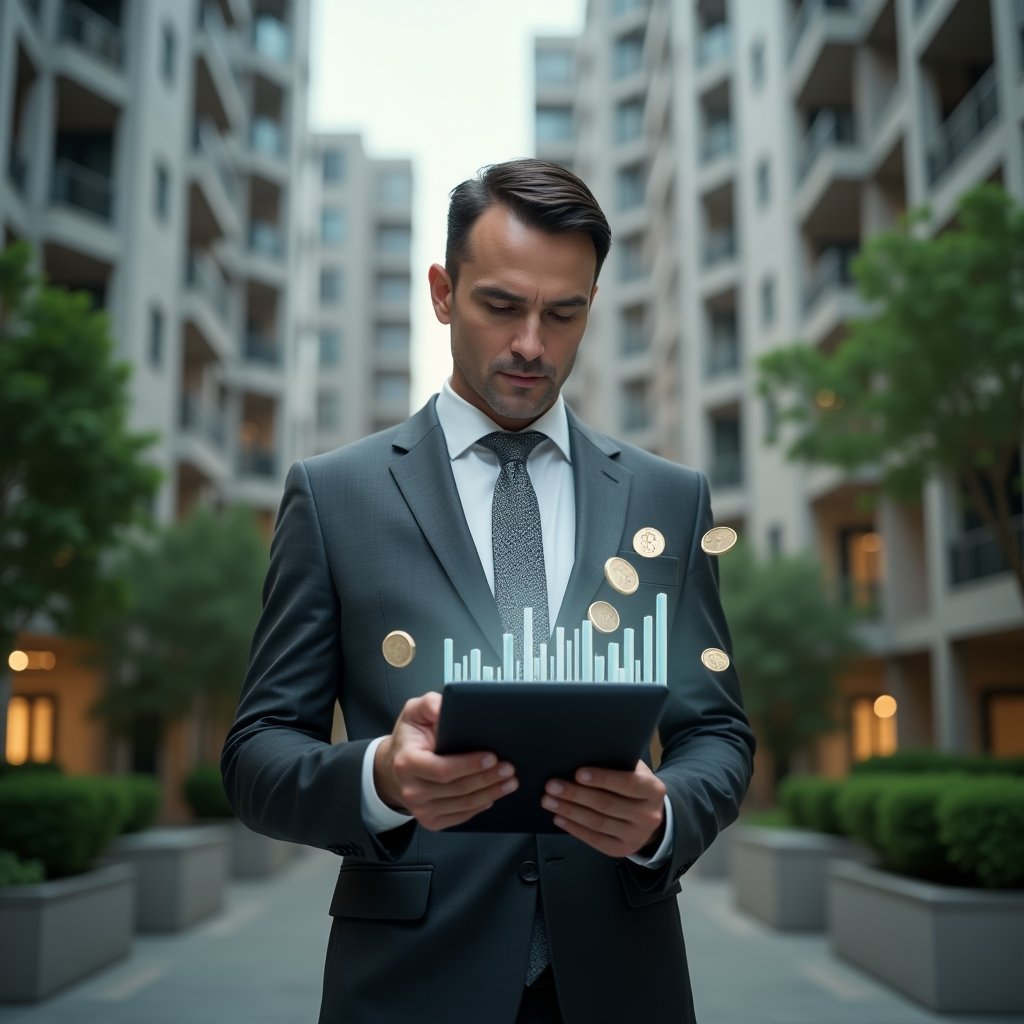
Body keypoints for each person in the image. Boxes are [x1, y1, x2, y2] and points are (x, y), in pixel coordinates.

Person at [221, 158, 754, 1024]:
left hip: (624, 982)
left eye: (564, 313)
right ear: (442, 291)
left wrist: (663, 819)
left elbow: (718, 733)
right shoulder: (333, 496)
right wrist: (380, 780)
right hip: (408, 983)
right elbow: (255, 756)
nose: (532, 345)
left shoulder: (670, 500)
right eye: (501, 305)